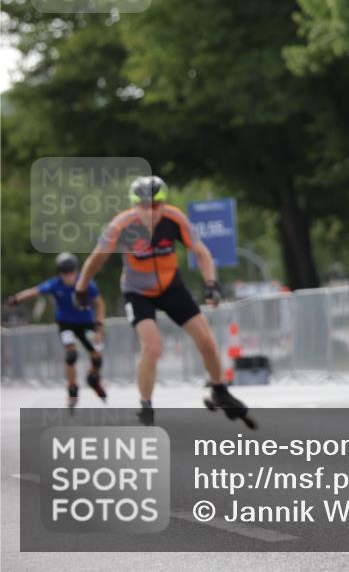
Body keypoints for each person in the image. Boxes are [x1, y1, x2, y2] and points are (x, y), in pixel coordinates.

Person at [73, 175, 251, 426]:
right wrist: (81, 289)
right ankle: (146, 406)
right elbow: (96, 259)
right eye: (144, 206)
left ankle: (219, 390)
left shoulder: (175, 219)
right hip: (138, 292)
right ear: (134, 206)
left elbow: (200, 251)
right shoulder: (121, 226)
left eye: (156, 205)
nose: (151, 212)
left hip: (170, 287)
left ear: (164, 204)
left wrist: (211, 283)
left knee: (207, 341)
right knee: (153, 347)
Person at [6, 252, 107, 410]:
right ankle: (72, 389)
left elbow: (100, 303)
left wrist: (99, 326)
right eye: (64, 273)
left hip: (86, 323)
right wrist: (16, 299)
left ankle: (93, 378)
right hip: (66, 323)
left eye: (71, 273)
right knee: (71, 355)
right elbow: (34, 291)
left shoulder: (86, 282)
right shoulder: (55, 284)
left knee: (97, 357)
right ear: (60, 273)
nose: (68, 277)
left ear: (76, 271)